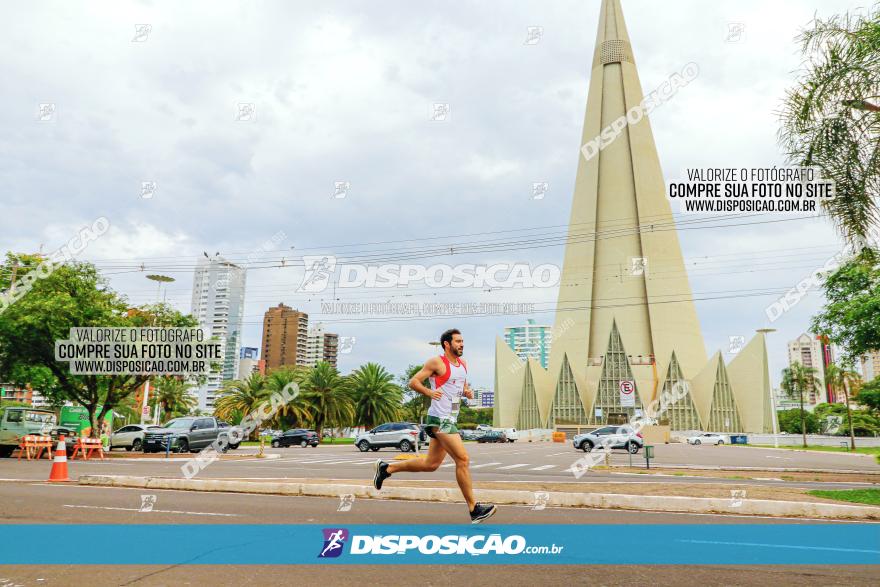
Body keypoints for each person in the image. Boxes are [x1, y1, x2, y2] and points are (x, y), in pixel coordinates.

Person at [373, 328, 497, 523]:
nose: (462, 344)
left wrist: (467, 392)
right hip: (440, 419)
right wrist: (429, 393)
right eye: (457, 341)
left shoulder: (463, 364)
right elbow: (413, 382)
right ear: (447, 344)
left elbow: (460, 386)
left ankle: (387, 469)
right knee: (463, 459)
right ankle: (474, 509)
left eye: (462, 341)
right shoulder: (437, 362)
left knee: (431, 464)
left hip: (451, 418)